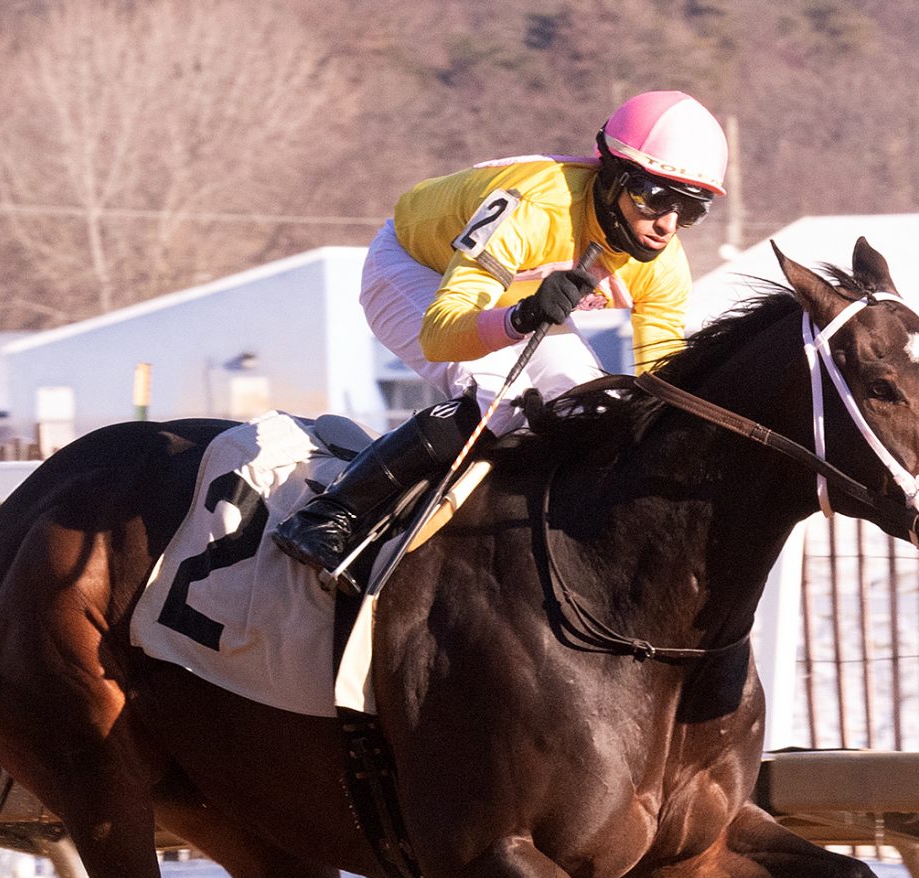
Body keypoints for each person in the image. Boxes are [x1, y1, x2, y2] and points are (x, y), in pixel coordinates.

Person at [272, 89, 729, 592]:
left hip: (515, 287)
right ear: (613, 176)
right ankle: (331, 513)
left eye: (690, 209)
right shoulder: (534, 208)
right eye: (655, 197)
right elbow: (442, 333)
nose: (666, 225)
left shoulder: (664, 268)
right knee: (502, 401)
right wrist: (523, 314)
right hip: (414, 267)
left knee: (594, 407)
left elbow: (659, 381)